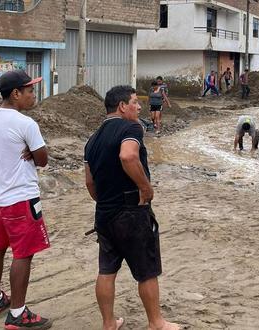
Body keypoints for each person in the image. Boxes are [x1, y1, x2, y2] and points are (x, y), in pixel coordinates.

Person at [84, 85, 179, 330]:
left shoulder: (91, 140)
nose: (139, 107)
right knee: (146, 270)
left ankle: (108, 323)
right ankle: (156, 322)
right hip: (131, 213)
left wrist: (104, 201)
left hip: (104, 214)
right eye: (135, 102)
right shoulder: (131, 127)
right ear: (122, 106)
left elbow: (89, 182)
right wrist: (145, 188)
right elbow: (128, 156)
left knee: (106, 269)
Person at [0, 70, 53, 329]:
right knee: (23, 253)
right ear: (15, 94)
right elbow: (42, 160)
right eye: (30, 90)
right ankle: (18, 313)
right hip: (20, 198)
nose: (33, 95)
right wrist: (32, 149)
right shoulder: (26, 124)